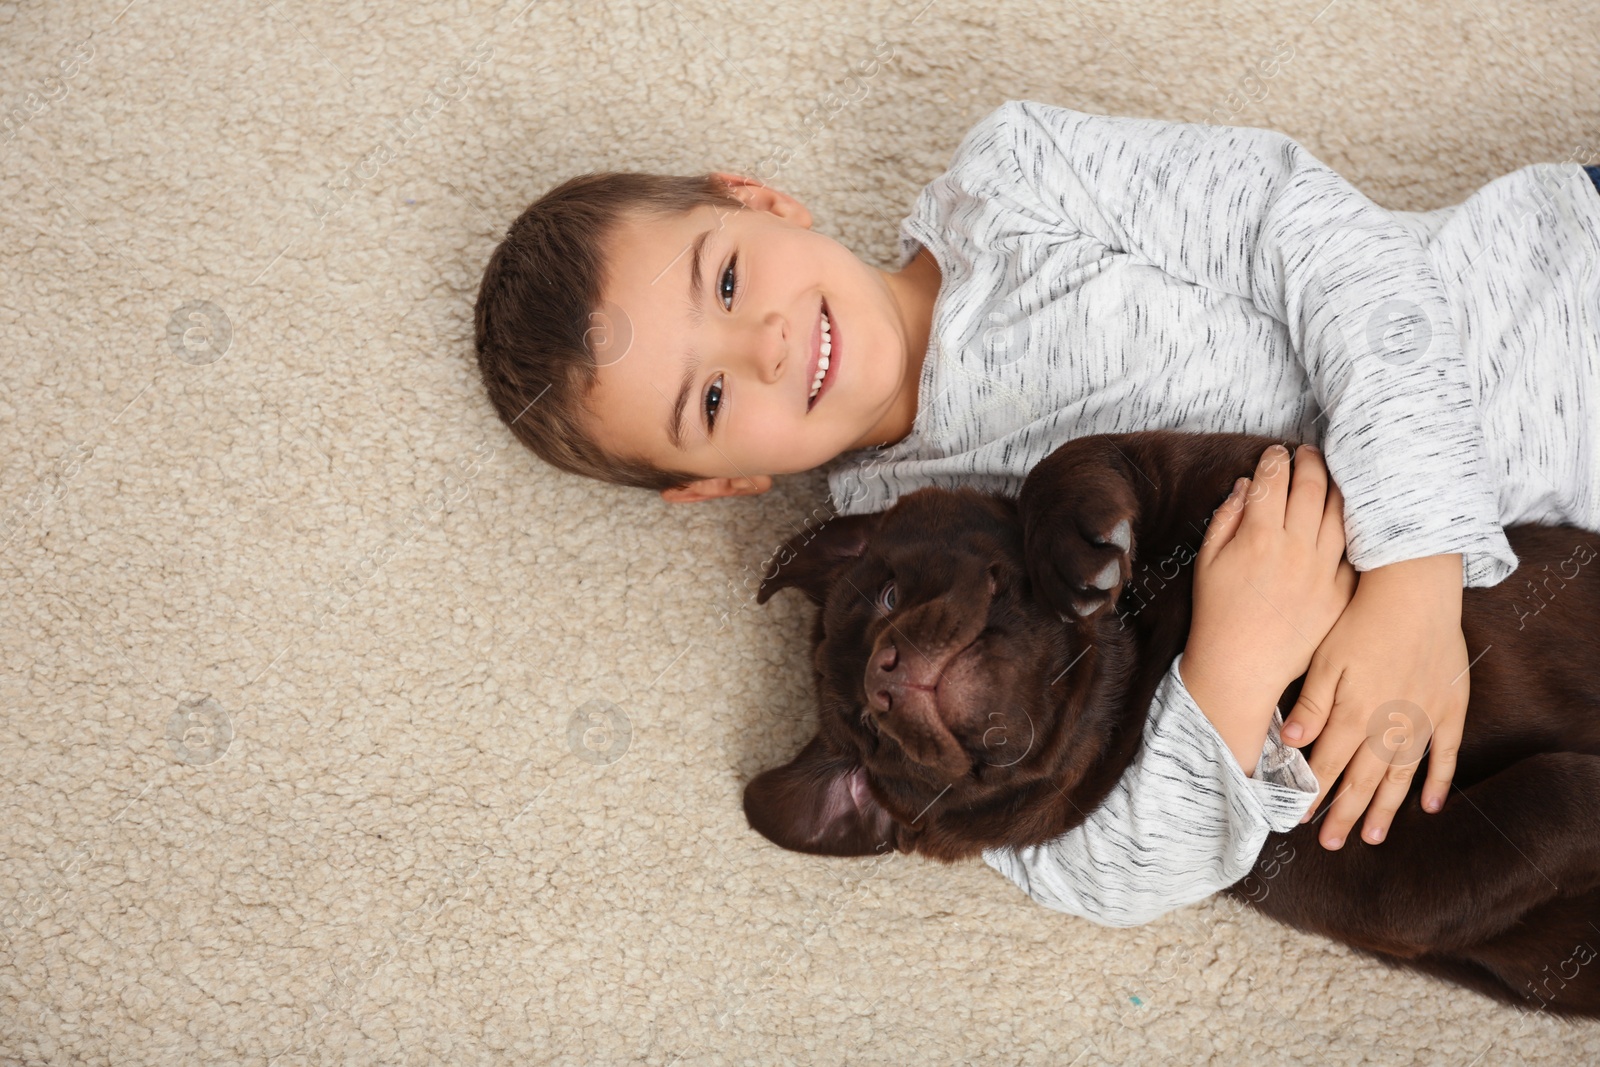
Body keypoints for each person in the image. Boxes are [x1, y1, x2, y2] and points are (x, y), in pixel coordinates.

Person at [472, 100, 1600, 925]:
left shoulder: (1014, 181)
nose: (764, 343)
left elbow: (1319, 236)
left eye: (723, 280)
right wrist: (1232, 666)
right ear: (720, 484)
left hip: (1550, 320)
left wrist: (1414, 569)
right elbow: (1092, 867)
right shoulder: (896, 587)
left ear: (754, 198)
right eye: (710, 400)